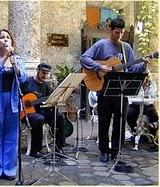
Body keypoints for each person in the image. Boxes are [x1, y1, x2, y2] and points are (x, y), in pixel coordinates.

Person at [80, 17, 149, 163]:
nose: (119, 36)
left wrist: (143, 65)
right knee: (104, 122)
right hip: (104, 89)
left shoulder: (126, 48)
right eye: (116, 32)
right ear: (110, 30)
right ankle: (104, 151)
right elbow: (84, 58)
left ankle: (116, 152)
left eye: (121, 33)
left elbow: (131, 68)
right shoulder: (101, 45)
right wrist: (99, 67)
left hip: (121, 90)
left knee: (120, 122)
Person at [0, 29, 27, 181]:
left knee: (12, 136)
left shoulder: (17, 59)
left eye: (8, 37)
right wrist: (4, 57)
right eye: (2, 37)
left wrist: (13, 62)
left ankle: (9, 169)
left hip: (13, 100)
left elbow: (23, 79)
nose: (5, 40)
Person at [20, 62, 65, 158]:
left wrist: (52, 102)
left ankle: (58, 147)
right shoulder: (27, 82)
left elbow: (48, 102)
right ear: (38, 71)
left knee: (59, 116)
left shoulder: (46, 86)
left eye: (47, 73)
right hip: (26, 112)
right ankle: (35, 150)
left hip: (41, 110)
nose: (45, 75)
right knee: (39, 118)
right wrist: (24, 103)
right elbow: (18, 95)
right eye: (43, 72)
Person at [127, 72, 158, 151]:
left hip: (148, 105)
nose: (144, 78)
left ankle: (153, 138)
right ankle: (134, 131)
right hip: (136, 104)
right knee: (129, 113)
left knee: (154, 115)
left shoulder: (152, 84)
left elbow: (153, 95)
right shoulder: (135, 83)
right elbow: (132, 95)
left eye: (146, 76)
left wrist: (149, 85)